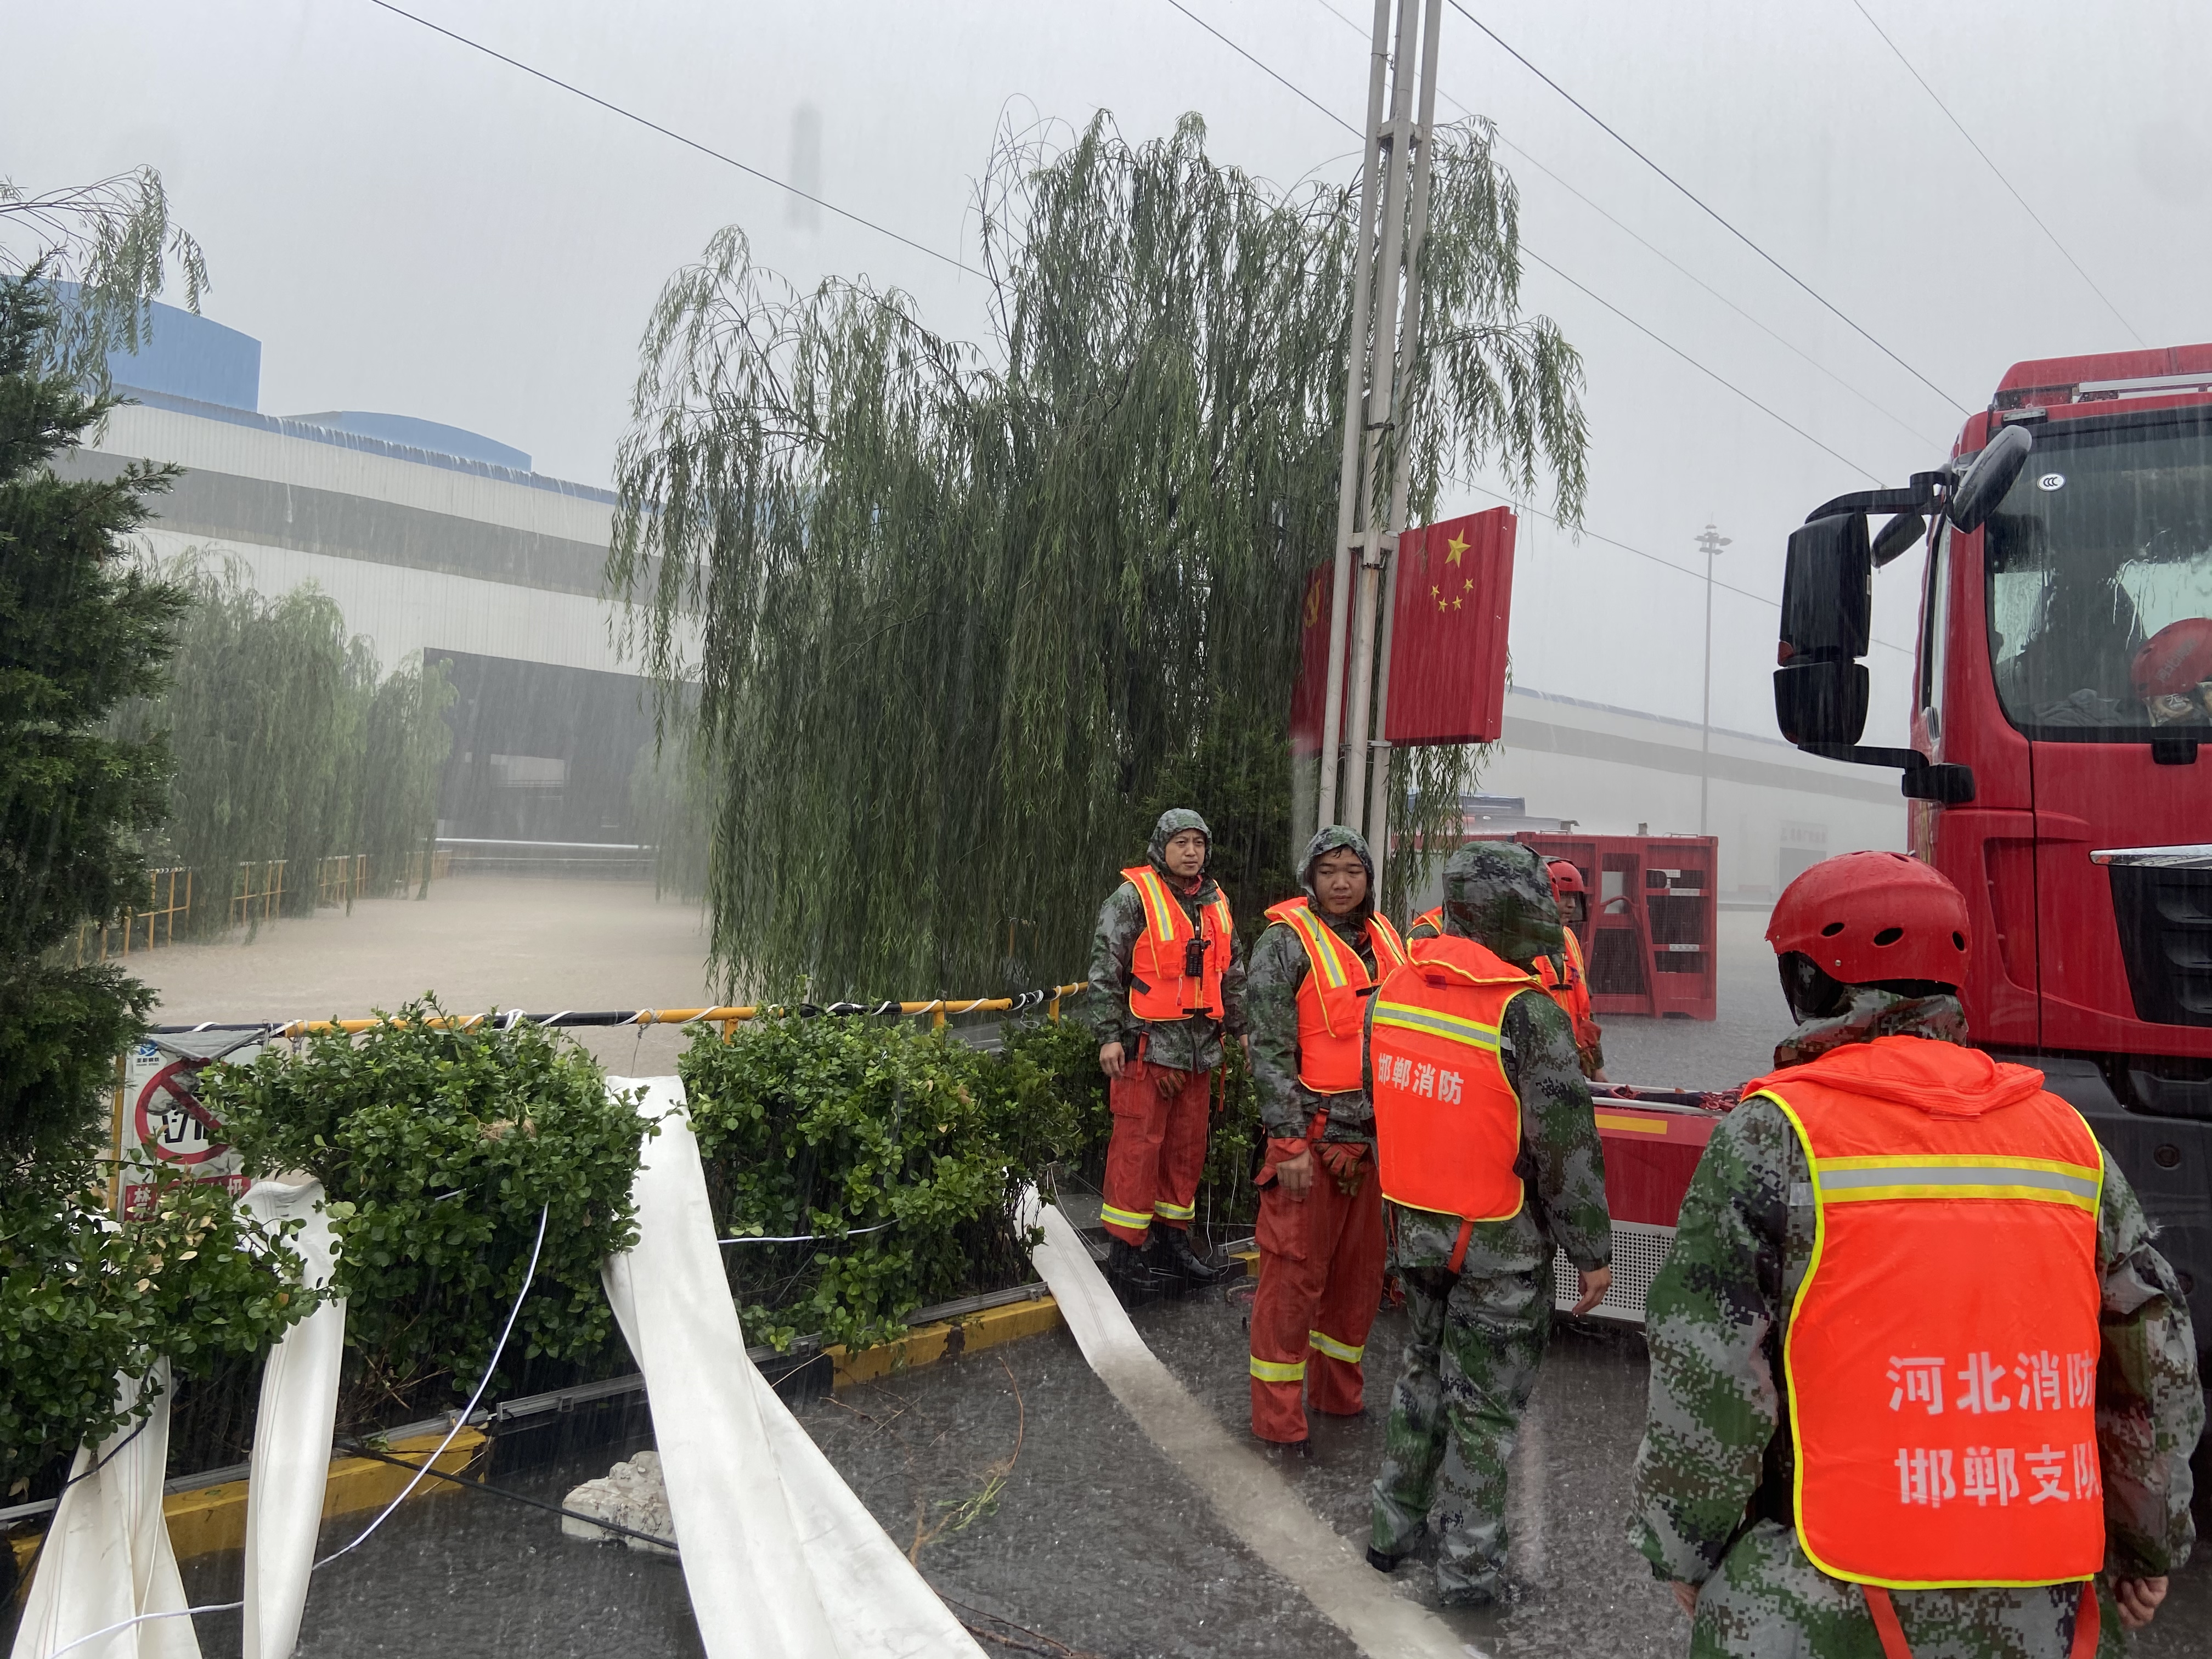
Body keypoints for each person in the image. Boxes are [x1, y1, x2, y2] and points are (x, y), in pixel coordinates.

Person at [1630, 851, 2203, 1657]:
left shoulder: (1776, 1138)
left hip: (1830, 1595)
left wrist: (1684, 1546)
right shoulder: (2067, 1138)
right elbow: (2153, 1358)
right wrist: (2147, 1540)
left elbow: (1710, 1373)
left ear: (1817, 985)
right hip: (2040, 1596)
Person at [1368, 840, 1613, 1606]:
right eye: (1535, 906)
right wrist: (1592, 1251)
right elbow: (1566, 1149)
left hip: (1417, 1229)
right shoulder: (1528, 1014)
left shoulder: (1397, 986)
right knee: (1485, 1414)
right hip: (1498, 1243)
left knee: (1420, 1382)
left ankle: (1391, 1530)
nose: (1547, 921)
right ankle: (1471, 1571)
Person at [1243, 826, 1409, 1444]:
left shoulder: (1389, 939)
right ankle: (1279, 1418)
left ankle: (1339, 1396)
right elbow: (1269, 1048)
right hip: (1310, 1144)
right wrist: (1286, 1142)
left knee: (1357, 1280)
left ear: (1368, 877)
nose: (1341, 883)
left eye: (1353, 871)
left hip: (1374, 1145)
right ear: (1309, 878)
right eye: (1328, 871)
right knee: (1293, 1283)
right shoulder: (1283, 945)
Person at [1086, 808, 1245, 1292]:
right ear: (1161, 847)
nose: (1191, 851)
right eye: (1181, 842)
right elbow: (1103, 968)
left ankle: (1172, 1243)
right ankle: (1126, 1255)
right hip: (1147, 1049)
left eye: (1198, 842)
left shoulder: (1217, 903)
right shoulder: (1132, 898)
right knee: (1136, 1150)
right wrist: (1109, 1035)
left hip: (1199, 1054)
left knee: (1185, 1152)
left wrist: (1244, 1031)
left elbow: (1232, 971)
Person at [1412, 854, 1605, 1081]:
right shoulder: (1510, 940)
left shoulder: (1569, 940)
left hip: (1568, 1064)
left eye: (1575, 898)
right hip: (1528, 1063)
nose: (1571, 905)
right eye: (1563, 897)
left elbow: (1584, 1009)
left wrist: (1597, 1066)